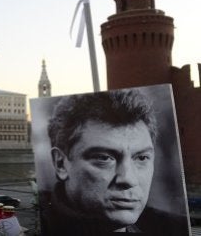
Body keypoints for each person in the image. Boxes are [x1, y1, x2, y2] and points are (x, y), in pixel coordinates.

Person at [41, 89, 189, 235]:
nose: (128, 179)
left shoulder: (175, 228)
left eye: (141, 158)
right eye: (104, 158)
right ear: (60, 163)